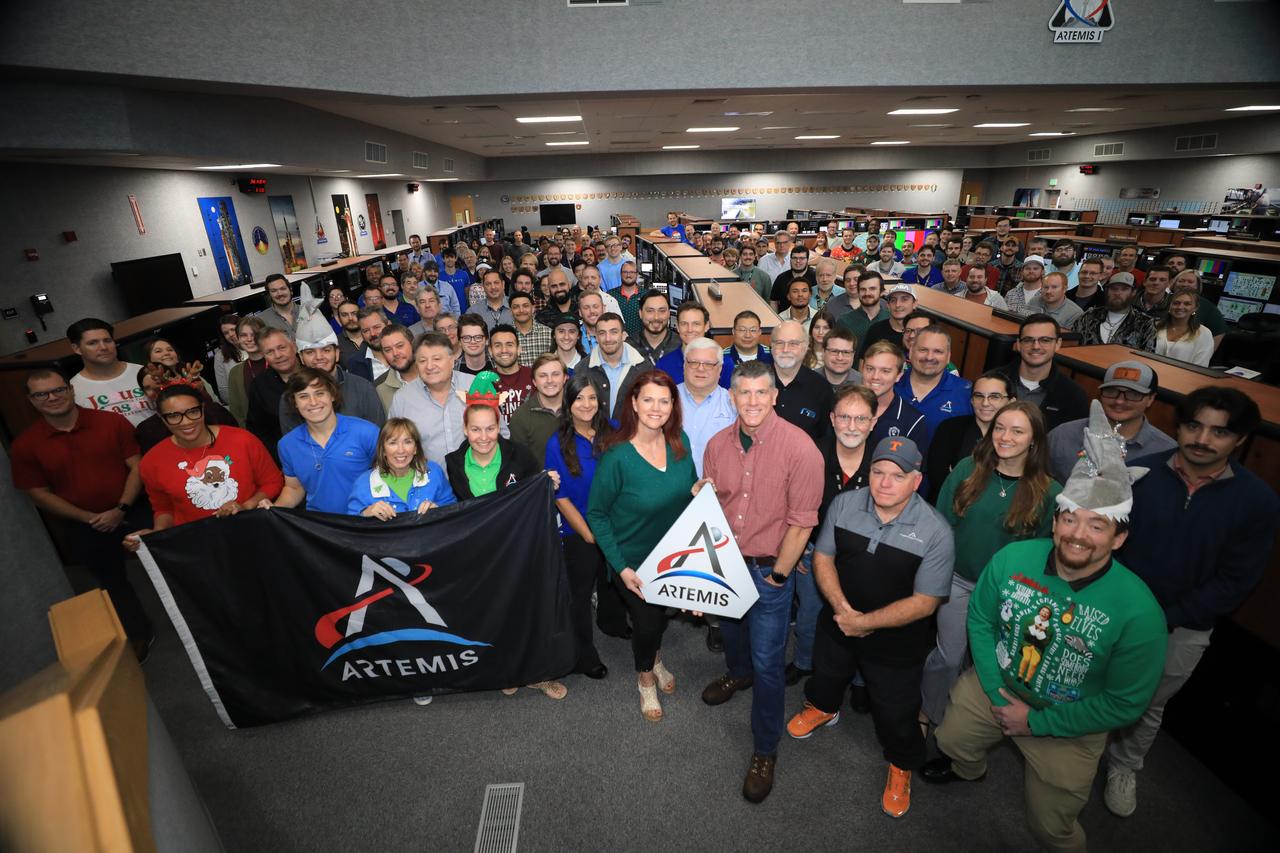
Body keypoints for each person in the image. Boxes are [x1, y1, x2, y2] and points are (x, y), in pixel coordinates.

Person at [924, 401, 1167, 853]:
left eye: (1098, 526)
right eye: (1070, 518)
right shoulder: (1013, 560)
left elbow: (1124, 704)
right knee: (951, 738)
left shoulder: (1139, 612)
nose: (1078, 533)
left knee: (1050, 827)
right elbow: (980, 619)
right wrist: (997, 695)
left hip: (1071, 719)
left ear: (1120, 538)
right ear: (1054, 523)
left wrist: (1037, 721)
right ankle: (966, 768)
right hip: (1000, 686)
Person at [1105, 387, 1279, 817]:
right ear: (1179, 427)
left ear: (1238, 440)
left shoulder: (1257, 501)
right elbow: (1108, 545)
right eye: (1194, 425)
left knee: (1147, 702)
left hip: (1182, 627)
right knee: (1092, 685)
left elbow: (1237, 580)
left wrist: (1165, 618)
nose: (1203, 438)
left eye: (1219, 432)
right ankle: (1075, 752)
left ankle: (1124, 767)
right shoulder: (1136, 474)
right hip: (1116, 612)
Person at [786, 437, 954, 819]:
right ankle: (824, 709)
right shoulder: (845, 503)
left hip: (897, 640)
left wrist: (866, 623)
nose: (884, 482)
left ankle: (901, 763)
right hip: (839, 618)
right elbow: (824, 558)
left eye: (897, 475)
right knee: (827, 675)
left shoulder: (936, 532)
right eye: (878, 472)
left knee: (896, 711)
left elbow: (926, 602)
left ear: (917, 480)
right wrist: (844, 610)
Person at [698, 360, 824, 804]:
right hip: (727, 566)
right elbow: (713, 503)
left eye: (760, 393)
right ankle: (737, 675)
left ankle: (765, 749)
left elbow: (802, 524)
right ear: (731, 398)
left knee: (770, 662)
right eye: (742, 394)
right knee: (732, 636)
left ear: (774, 397)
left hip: (770, 570)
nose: (751, 402)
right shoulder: (716, 444)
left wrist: (778, 576)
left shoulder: (802, 449)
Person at [921, 402, 1061, 732]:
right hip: (957, 581)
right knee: (949, 657)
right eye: (1000, 428)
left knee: (986, 664)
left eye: (1017, 431)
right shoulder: (969, 468)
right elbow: (940, 525)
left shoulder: (1049, 493)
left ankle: (961, 724)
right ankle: (927, 712)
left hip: (1007, 595)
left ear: (1034, 440)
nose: (1005, 437)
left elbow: (1043, 556)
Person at [11, 368, 154, 657]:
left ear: (70, 390)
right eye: (42, 394)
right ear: (32, 400)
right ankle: (139, 634)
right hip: (85, 526)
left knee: (163, 566)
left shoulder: (110, 421)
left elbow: (137, 466)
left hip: (135, 510)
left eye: (58, 390)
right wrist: (89, 518)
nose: (52, 397)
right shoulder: (25, 445)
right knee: (112, 583)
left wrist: (121, 507)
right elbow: (37, 494)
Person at [587, 371, 698, 722]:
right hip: (631, 560)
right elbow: (598, 515)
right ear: (633, 403)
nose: (656, 407)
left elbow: (688, 486)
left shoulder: (681, 441)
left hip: (673, 557)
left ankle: (656, 657)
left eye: (664, 400)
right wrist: (621, 567)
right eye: (648, 399)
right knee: (647, 624)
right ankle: (645, 678)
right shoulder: (617, 456)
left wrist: (698, 490)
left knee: (662, 619)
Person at [786, 384, 879, 687]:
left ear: (873, 422)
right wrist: (798, 547)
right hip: (813, 553)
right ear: (832, 418)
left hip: (864, 560)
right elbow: (792, 501)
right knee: (810, 616)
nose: (852, 426)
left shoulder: (884, 462)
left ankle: (859, 681)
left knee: (860, 619)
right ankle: (803, 662)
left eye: (861, 419)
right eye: (844, 417)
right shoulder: (811, 451)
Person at [128, 384, 282, 540]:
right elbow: (164, 508)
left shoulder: (242, 439)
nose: (186, 422)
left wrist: (247, 506)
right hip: (198, 544)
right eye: (174, 416)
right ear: (162, 418)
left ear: (202, 409)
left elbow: (272, 481)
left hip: (252, 532)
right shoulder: (152, 461)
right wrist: (156, 534)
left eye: (193, 412)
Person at [544, 374, 614, 678]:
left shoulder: (612, 433)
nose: (586, 404)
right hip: (579, 531)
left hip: (614, 526)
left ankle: (612, 624)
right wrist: (589, 536)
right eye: (578, 398)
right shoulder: (556, 443)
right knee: (580, 596)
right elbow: (561, 499)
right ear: (568, 404)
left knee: (613, 584)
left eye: (591, 397)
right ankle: (585, 655)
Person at [269, 367, 379, 514]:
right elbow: (294, 488)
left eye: (319, 393)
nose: (313, 402)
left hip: (365, 521)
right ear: (294, 402)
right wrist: (273, 510)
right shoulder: (287, 445)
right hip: (320, 527)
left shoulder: (366, 432)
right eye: (303, 396)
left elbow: (391, 474)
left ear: (332, 395)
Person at [1047, 360, 1176, 483]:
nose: (1119, 401)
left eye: (1133, 395)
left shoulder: (1168, 452)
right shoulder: (1061, 436)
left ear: (1150, 399)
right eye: (1111, 391)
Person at [388, 331, 493, 467]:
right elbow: (394, 446)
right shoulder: (402, 399)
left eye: (437, 359)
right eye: (422, 361)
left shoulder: (477, 386)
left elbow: (500, 433)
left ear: (452, 360)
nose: (430, 366)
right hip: (429, 483)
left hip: (481, 481)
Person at [925, 371, 1016, 503]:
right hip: (947, 509)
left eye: (995, 397)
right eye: (979, 396)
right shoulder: (950, 428)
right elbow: (939, 479)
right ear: (972, 400)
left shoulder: (1017, 438)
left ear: (1011, 402)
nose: (985, 403)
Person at [283, 317, 385, 431]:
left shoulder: (363, 388)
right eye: (310, 352)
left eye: (326, 350)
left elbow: (379, 437)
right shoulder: (291, 396)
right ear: (301, 357)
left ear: (337, 353)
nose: (319, 357)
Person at [993, 314, 1088, 433]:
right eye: (1028, 340)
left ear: (1058, 344)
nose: (1036, 346)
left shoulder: (1073, 395)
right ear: (1018, 344)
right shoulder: (993, 379)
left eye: (1045, 340)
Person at [347, 417, 456, 519]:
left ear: (415, 448)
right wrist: (365, 514)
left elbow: (454, 512)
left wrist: (439, 511)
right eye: (393, 443)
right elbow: (349, 529)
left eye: (407, 442)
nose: (401, 450)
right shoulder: (364, 483)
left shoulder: (433, 473)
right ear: (383, 450)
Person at [444, 398, 543, 501]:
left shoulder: (521, 456)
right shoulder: (454, 464)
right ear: (465, 429)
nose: (483, 437)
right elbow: (458, 507)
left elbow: (536, 497)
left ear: (498, 427)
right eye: (475, 430)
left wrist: (547, 481)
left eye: (490, 429)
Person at [66, 318, 150, 426]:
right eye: (92, 343)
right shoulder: (73, 390)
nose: (103, 347)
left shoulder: (142, 372)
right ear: (77, 349)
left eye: (107, 340)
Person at [894, 326, 973, 434]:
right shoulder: (891, 384)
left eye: (938, 351)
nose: (929, 357)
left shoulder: (967, 393)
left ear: (948, 357)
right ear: (911, 352)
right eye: (923, 350)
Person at [677, 337, 737, 476]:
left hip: (717, 489)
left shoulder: (732, 403)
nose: (700, 369)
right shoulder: (666, 400)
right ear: (684, 365)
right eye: (694, 363)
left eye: (709, 364)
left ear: (720, 368)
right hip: (672, 490)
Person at [769, 319, 833, 442]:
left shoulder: (821, 388)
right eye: (779, 343)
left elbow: (825, 438)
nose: (786, 349)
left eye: (793, 343)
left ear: (806, 347)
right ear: (771, 346)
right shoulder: (755, 382)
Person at [863, 341, 930, 452]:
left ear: (899, 376)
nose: (875, 376)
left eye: (885, 371)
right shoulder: (844, 407)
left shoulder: (913, 421)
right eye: (870, 369)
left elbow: (914, 467)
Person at [246, 327, 299, 460]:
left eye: (282, 348)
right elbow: (259, 431)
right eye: (270, 351)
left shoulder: (315, 372)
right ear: (264, 357)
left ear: (294, 346)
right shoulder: (260, 385)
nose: (278, 355)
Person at [1075, 272, 1157, 351]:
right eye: (1113, 289)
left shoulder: (1144, 324)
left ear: (1133, 292)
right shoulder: (1088, 317)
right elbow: (1072, 345)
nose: (1118, 293)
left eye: (1124, 289)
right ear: (1107, 291)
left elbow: (1146, 356)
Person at [509, 354, 565, 459]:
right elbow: (518, 462)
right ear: (534, 382)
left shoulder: (577, 408)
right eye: (543, 375)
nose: (549, 380)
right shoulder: (521, 417)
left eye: (555, 374)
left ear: (565, 378)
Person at [1154, 287, 1214, 366]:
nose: (1180, 307)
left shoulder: (1204, 333)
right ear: (1169, 306)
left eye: (1187, 304)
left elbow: (1200, 367)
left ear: (1195, 308)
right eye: (1176, 303)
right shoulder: (1154, 326)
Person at [856, 282, 915, 363]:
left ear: (914, 303)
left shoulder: (922, 332)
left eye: (904, 299)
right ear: (888, 305)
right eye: (893, 300)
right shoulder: (876, 330)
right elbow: (863, 363)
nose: (898, 305)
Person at [227, 316, 269, 426]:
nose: (249, 339)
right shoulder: (235, 373)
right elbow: (236, 412)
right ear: (238, 339)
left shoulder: (278, 362)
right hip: (254, 434)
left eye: (254, 334)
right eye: (243, 335)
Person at [488, 324, 534, 422]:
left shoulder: (534, 377)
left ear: (518, 349)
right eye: (497, 345)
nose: (504, 350)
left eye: (509, 345)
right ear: (490, 351)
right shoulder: (485, 382)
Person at [836, 270, 888, 345]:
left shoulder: (891, 319)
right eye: (863, 289)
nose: (867, 293)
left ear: (882, 292)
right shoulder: (844, 321)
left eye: (872, 289)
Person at [632, 290, 680, 365]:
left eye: (662, 311)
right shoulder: (629, 347)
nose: (656, 317)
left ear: (669, 313)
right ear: (640, 313)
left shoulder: (681, 345)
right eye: (650, 311)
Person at [212, 313, 244, 403]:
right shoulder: (220, 356)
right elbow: (223, 391)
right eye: (226, 333)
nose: (230, 334)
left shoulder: (256, 345)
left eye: (233, 329)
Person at [257, 274, 300, 339]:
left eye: (283, 288)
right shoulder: (261, 320)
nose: (280, 294)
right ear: (269, 295)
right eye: (274, 291)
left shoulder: (309, 311)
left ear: (290, 290)